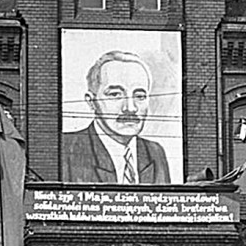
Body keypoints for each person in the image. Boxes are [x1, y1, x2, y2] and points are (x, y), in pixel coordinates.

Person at [62, 50, 171, 184]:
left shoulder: (155, 153)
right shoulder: (66, 148)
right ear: (91, 101)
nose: (130, 108)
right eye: (115, 95)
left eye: (140, 96)